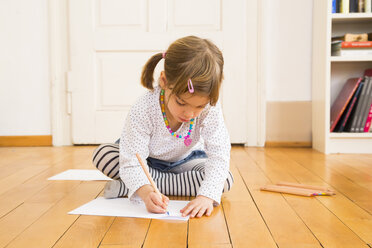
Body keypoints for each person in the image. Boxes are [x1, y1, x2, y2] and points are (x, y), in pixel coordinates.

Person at [92, 36, 233, 218]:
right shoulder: (144, 108)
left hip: (187, 162)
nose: (189, 114)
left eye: (199, 107)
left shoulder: (210, 108)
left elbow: (219, 153)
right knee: (103, 155)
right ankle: (141, 184)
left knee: (225, 180)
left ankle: (131, 185)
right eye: (181, 102)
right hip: (146, 162)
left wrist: (206, 196)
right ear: (164, 81)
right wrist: (146, 193)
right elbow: (132, 160)